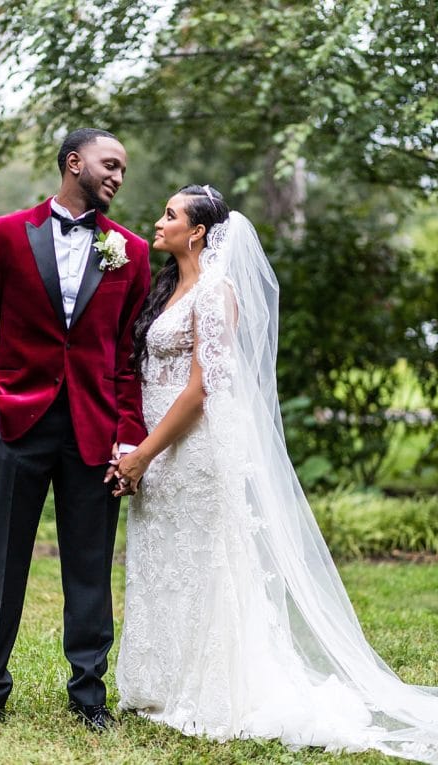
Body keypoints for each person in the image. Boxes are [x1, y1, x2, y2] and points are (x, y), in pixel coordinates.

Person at [112, 186, 438, 761]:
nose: (156, 223)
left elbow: (204, 389)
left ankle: (214, 691)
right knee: (165, 560)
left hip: (193, 446)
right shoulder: (170, 289)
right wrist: (135, 448)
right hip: (156, 445)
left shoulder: (216, 293)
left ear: (198, 233)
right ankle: (158, 684)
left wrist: (145, 453)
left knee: (207, 563)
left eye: (170, 215)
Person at [0, 128, 151, 733]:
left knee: (89, 566)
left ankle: (89, 696)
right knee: (3, 562)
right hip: (17, 425)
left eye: (122, 169)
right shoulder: (5, 234)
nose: (117, 176)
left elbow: (128, 357)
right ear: (74, 162)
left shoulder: (132, 252)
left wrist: (127, 434)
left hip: (94, 431)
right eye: (109, 164)